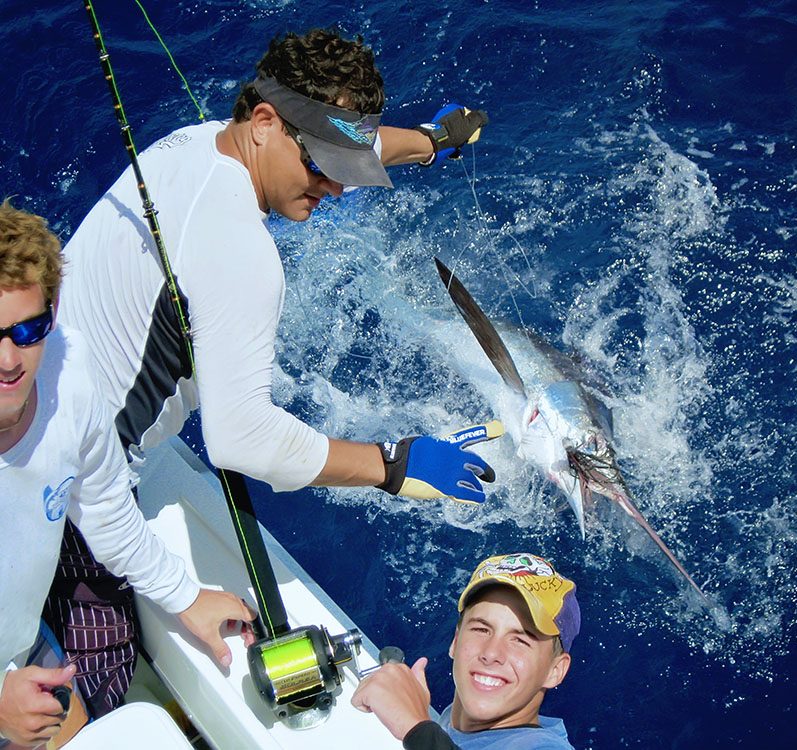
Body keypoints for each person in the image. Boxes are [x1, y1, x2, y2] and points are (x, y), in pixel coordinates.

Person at [50, 27, 497, 716]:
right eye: (323, 168)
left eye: (344, 168)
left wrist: (432, 141)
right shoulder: (246, 259)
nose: (338, 190)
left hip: (32, 403)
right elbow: (241, 439)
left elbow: (355, 142)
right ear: (264, 123)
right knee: (100, 705)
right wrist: (391, 464)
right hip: (76, 501)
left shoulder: (194, 141)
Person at [0, 202, 255, 746]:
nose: (9, 359)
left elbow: (106, 512)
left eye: (29, 329)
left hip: (17, 652)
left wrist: (185, 596)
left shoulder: (69, 373)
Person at [353, 553, 580, 749]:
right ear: (456, 640)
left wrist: (415, 726)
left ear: (555, 670)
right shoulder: (457, 723)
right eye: (481, 629)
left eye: (520, 640)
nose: (491, 653)